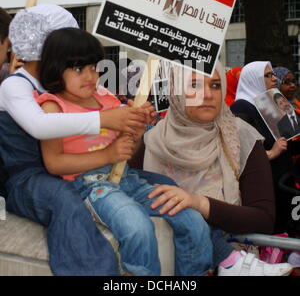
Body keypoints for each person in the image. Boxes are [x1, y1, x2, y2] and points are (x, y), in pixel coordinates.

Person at [36, 27, 213, 276]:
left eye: (94, 67)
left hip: (127, 178)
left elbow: (127, 150)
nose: (89, 75)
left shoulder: (106, 98)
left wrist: (137, 128)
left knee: (192, 219)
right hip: (89, 186)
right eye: (78, 68)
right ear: (55, 67)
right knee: (137, 228)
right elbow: (54, 163)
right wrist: (109, 155)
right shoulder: (53, 108)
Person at [0, 4, 158, 276]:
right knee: (63, 200)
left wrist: (133, 116)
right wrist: (105, 120)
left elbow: (111, 114)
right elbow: (40, 125)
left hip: (79, 169)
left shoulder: (75, 81)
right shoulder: (16, 84)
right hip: (28, 177)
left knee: (163, 187)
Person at [143, 61, 293, 276]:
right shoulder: (151, 141)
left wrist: (200, 204)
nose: (207, 94)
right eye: (194, 85)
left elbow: (263, 220)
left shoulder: (243, 137)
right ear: (176, 92)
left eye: (215, 85)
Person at [231, 61, 293, 233]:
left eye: (273, 74)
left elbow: (289, 136)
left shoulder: (271, 101)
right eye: (268, 75)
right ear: (253, 79)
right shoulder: (241, 107)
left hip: (283, 178)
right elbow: (238, 151)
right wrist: (271, 153)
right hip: (264, 181)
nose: (275, 79)